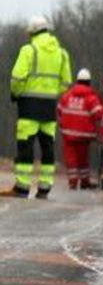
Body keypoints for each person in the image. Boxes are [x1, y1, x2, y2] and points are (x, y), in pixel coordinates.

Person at [2, 16, 72, 199]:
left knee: (25, 148)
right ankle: (44, 188)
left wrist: (17, 93)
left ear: (32, 32)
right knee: (47, 149)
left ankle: (22, 187)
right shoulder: (61, 53)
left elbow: (17, 78)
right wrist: (51, 93)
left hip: (28, 108)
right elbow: (66, 82)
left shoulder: (29, 50)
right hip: (49, 109)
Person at [57, 68, 103, 189]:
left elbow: (59, 110)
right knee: (83, 159)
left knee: (71, 159)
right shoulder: (91, 98)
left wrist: (63, 125)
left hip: (68, 135)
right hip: (84, 136)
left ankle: (73, 182)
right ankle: (84, 181)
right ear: (89, 82)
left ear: (77, 81)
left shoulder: (66, 96)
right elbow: (98, 114)